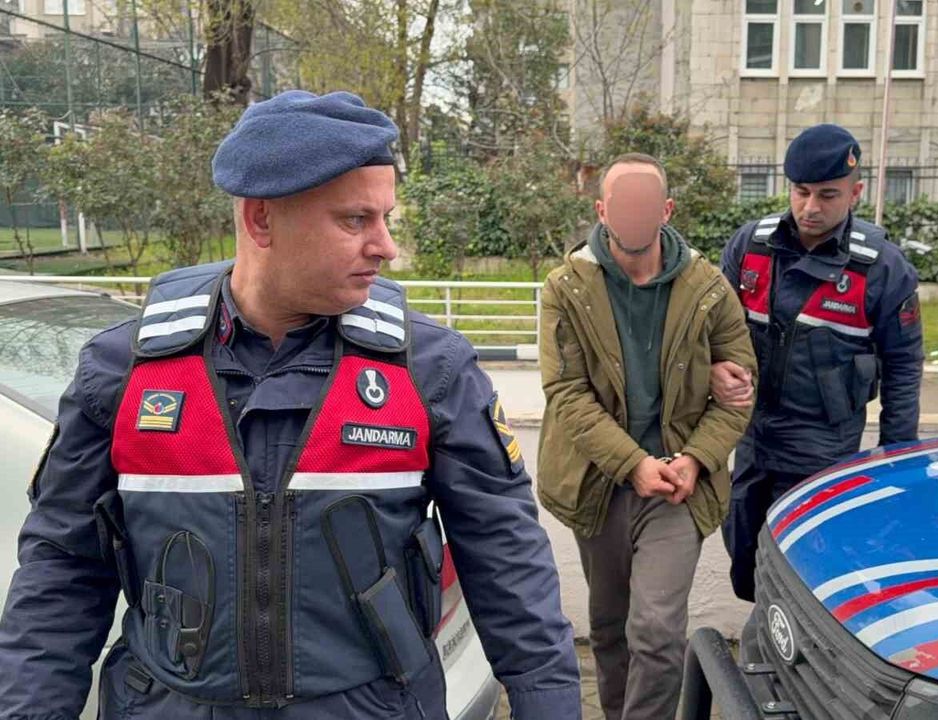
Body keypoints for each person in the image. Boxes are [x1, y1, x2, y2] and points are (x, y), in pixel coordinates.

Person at [0, 90, 580, 719]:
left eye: (385, 217)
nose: (385, 246)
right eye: (355, 220)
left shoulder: (429, 370)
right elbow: (61, 575)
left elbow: (507, 562)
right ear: (261, 221)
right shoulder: (123, 372)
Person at [537, 153, 755, 720]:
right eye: (622, 204)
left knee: (656, 632)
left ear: (667, 210)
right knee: (609, 629)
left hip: (679, 486)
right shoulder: (566, 288)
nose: (633, 215)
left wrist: (698, 458)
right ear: (601, 210)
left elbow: (739, 394)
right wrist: (632, 463)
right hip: (598, 482)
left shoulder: (708, 288)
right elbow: (566, 392)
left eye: (645, 204)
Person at [713, 124, 925, 602]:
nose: (811, 207)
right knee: (745, 559)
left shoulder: (882, 268)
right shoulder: (750, 246)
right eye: (801, 192)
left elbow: (903, 366)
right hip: (751, 436)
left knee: (803, 575)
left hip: (823, 449)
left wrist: (896, 458)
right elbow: (713, 331)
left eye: (827, 195)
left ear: (855, 193)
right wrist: (713, 370)